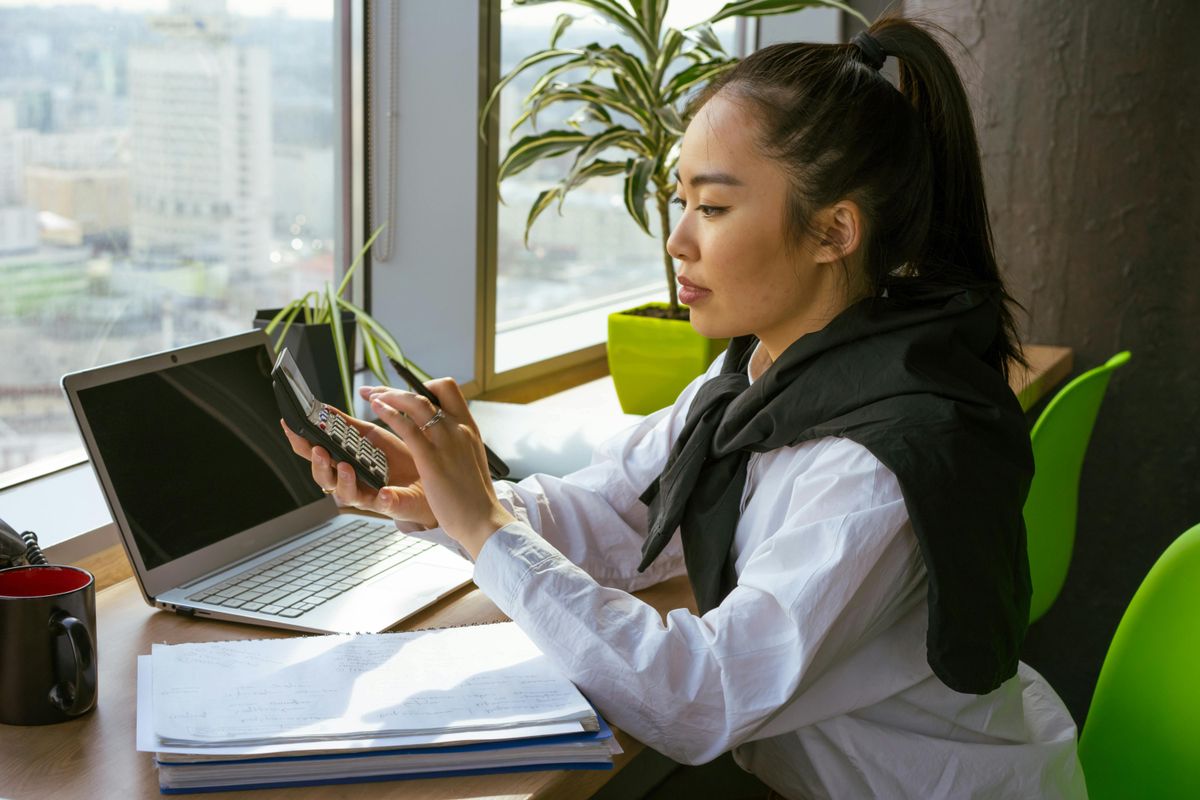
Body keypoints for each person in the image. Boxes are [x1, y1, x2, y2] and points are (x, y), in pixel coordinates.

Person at [283, 15, 1086, 800]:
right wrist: (446, 499)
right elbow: (617, 513)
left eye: (713, 207)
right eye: (681, 200)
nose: (677, 240)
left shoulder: (873, 464)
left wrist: (487, 527)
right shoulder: (757, 380)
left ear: (834, 231)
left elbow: (700, 699)